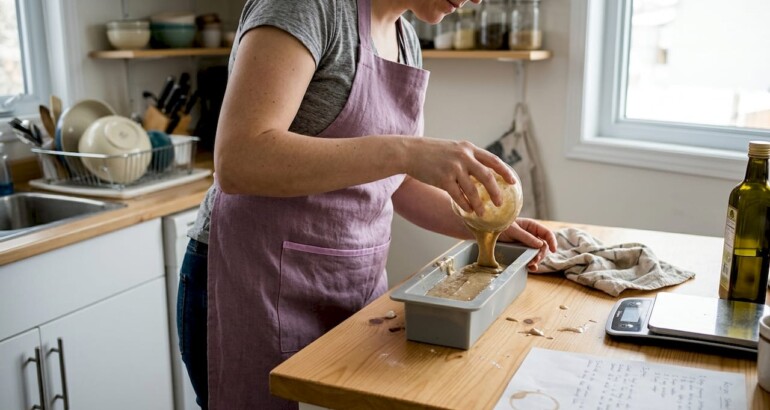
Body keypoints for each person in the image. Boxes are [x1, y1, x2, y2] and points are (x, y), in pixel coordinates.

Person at [177, 0, 558, 409]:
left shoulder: (404, 37)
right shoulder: (308, 7)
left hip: (352, 291)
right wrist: (405, 151)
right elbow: (239, 161)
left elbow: (396, 181)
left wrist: (487, 227)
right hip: (255, 288)